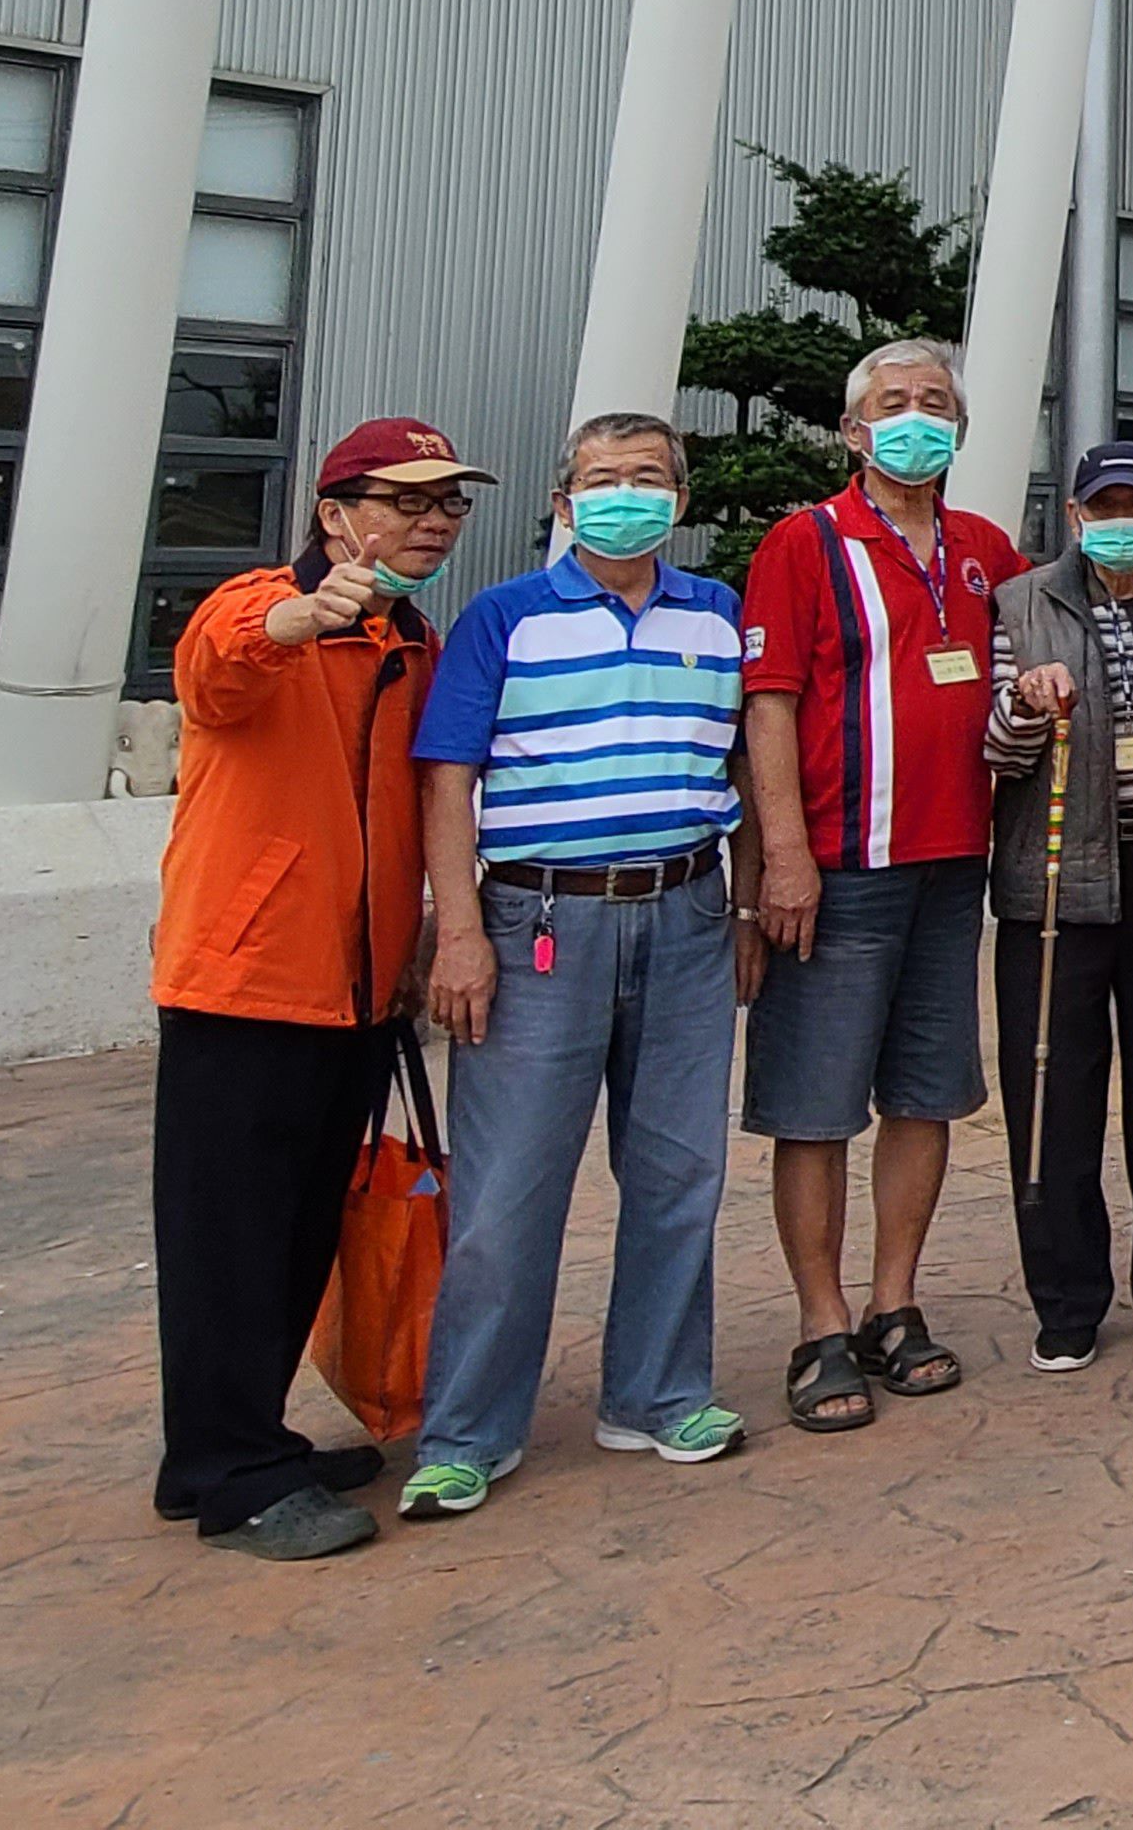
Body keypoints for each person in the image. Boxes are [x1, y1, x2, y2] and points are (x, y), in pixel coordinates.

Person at [399, 414, 749, 1520]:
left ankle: (657, 1393)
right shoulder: (503, 619)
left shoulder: (719, 614)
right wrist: (457, 931)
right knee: (507, 1192)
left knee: (679, 1172)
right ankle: (467, 1429)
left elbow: (743, 755)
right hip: (540, 921)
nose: (626, 496)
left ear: (679, 501)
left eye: (649, 478)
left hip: (687, 911)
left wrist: (743, 899)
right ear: (563, 503)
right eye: (602, 480)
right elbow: (447, 780)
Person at [151, 415, 487, 1559]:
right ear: (335, 514)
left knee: (300, 1231)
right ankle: (232, 1469)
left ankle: (230, 1442)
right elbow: (219, 669)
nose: (432, 520)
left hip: (353, 992)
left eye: (448, 503)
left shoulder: (412, 640)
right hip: (244, 983)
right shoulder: (259, 612)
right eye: (404, 499)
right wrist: (299, 616)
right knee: (228, 1237)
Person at [736, 340, 1024, 1432]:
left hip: (952, 872)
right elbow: (769, 703)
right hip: (840, 869)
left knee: (925, 1095)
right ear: (855, 432)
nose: (917, 418)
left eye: (936, 403)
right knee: (813, 1108)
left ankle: (895, 1305)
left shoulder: (984, 550)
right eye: (894, 404)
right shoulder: (804, 543)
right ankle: (820, 1321)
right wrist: (785, 856)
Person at [980, 440, 1133, 1368]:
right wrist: (1023, 704)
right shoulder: (1021, 603)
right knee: (1053, 1092)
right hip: (1055, 879)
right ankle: (1067, 1299)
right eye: (1103, 508)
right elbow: (996, 758)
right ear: (1076, 518)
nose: (1120, 523)